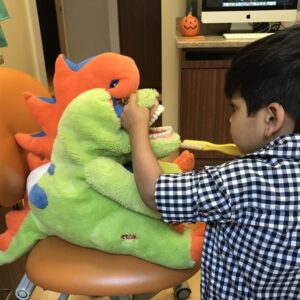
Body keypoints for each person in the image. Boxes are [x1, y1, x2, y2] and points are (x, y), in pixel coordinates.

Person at [120, 25, 300, 299]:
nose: (230, 118)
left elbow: (154, 192)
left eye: (234, 108)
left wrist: (137, 128)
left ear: (271, 118)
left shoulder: (242, 180)